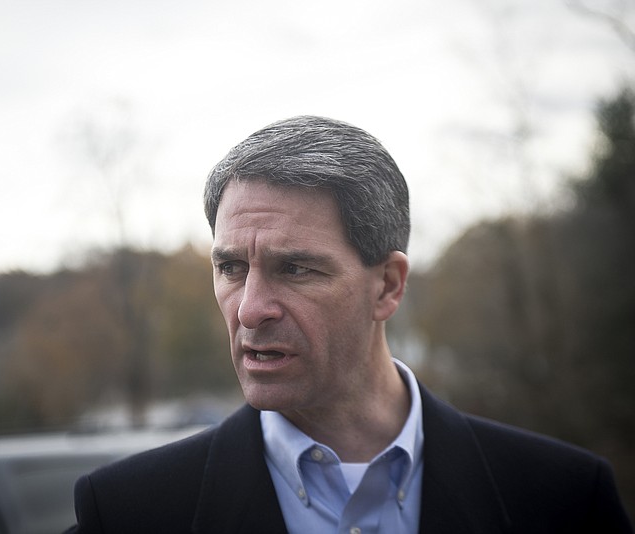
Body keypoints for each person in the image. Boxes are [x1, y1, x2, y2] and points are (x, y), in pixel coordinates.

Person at [67, 116, 632, 533]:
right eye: (231, 267)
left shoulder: (564, 500)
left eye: (296, 268)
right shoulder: (124, 513)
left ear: (387, 285)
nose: (249, 308)